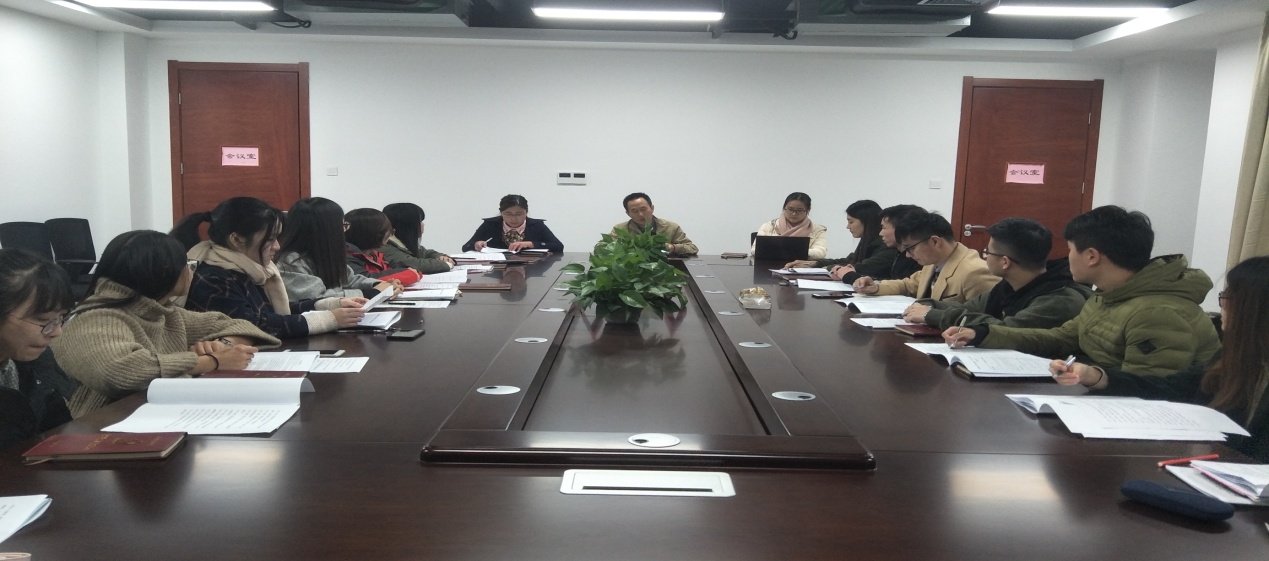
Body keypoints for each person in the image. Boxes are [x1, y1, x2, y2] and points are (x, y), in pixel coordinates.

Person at [946, 206, 1220, 375]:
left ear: (1091, 256)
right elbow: (1061, 338)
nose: (1066, 258)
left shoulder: (1158, 313)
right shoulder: (1108, 296)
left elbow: (1145, 389)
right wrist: (983, 334)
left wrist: (1091, 377)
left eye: (1070, 250)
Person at [1052, 256, 1269, 461]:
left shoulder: (1158, 311)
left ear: (1254, 310)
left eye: (1228, 298)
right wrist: (1095, 376)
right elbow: (1171, 387)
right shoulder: (1236, 358)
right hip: (1217, 467)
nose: (1222, 307)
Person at [52, 231, 278, 418]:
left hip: (161, 418)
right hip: (103, 431)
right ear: (163, 273)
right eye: (187, 265)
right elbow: (119, 372)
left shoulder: (162, 312)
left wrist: (224, 344)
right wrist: (212, 361)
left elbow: (241, 326)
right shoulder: (95, 319)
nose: (191, 272)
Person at [172, 196, 367, 339]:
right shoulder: (213, 278)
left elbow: (271, 312)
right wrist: (328, 319)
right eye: (271, 239)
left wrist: (328, 305)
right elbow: (253, 325)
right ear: (236, 239)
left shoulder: (247, 268)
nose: (277, 247)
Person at [902, 218, 1090, 329]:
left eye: (988, 252)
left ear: (1005, 262)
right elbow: (969, 308)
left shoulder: (1058, 300)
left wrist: (932, 315)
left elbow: (1005, 329)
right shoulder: (1007, 286)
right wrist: (927, 305)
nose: (984, 256)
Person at [0, 249, 77, 449]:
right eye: (43, 320)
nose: (57, 331)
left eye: (61, 318)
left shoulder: (38, 362)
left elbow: (57, 431)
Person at [853, 211, 995, 303]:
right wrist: (875, 287)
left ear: (935, 242)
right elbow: (908, 285)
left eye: (911, 248)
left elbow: (984, 319)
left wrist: (930, 314)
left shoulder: (975, 272)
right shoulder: (934, 262)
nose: (908, 255)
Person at [276, 198, 402, 300]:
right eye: (342, 226)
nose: (344, 231)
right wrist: (372, 293)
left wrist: (377, 284)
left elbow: (350, 280)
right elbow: (318, 298)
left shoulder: (326, 255)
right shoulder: (290, 262)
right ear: (325, 230)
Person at [786, 199, 896, 284]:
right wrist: (816, 263)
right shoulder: (868, 242)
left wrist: (826, 268)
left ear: (867, 222)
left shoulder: (887, 245)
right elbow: (849, 260)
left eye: (851, 222)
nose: (848, 227)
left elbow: (860, 267)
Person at [343, 208, 424, 285]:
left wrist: (411, 272)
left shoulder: (374, 254)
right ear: (374, 233)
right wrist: (410, 274)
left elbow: (400, 267)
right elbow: (365, 281)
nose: (390, 235)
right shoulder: (347, 257)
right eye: (389, 231)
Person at [461, 195, 564, 253]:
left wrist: (530, 244)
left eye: (519, 214)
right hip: (496, 270)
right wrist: (476, 244)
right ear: (501, 213)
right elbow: (465, 247)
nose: (514, 219)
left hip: (530, 269)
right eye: (508, 214)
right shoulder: (490, 225)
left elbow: (558, 246)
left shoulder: (537, 225)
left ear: (526, 212)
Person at [607, 192, 698, 257]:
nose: (640, 214)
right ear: (628, 213)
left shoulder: (671, 228)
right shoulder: (620, 229)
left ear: (652, 208)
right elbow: (602, 248)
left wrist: (674, 247)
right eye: (634, 211)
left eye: (643, 209)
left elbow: (692, 248)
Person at [381, 202, 455, 274]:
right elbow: (416, 264)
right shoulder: (385, 246)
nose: (423, 225)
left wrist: (440, 257)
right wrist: (447, 264)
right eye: (420, 221)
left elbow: (426, 253)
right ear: (408, 225)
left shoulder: (402, 243)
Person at [751, 192, 827, 260]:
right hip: (768, 266)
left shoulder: (818, 229)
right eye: (790, 209)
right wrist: (797, 251)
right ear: (784, 208)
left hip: (802, 267)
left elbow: (820, 252)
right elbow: (755, 250)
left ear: (808, 210)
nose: (794, 213)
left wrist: (782, 251)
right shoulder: (769, 226)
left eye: (799, 210)